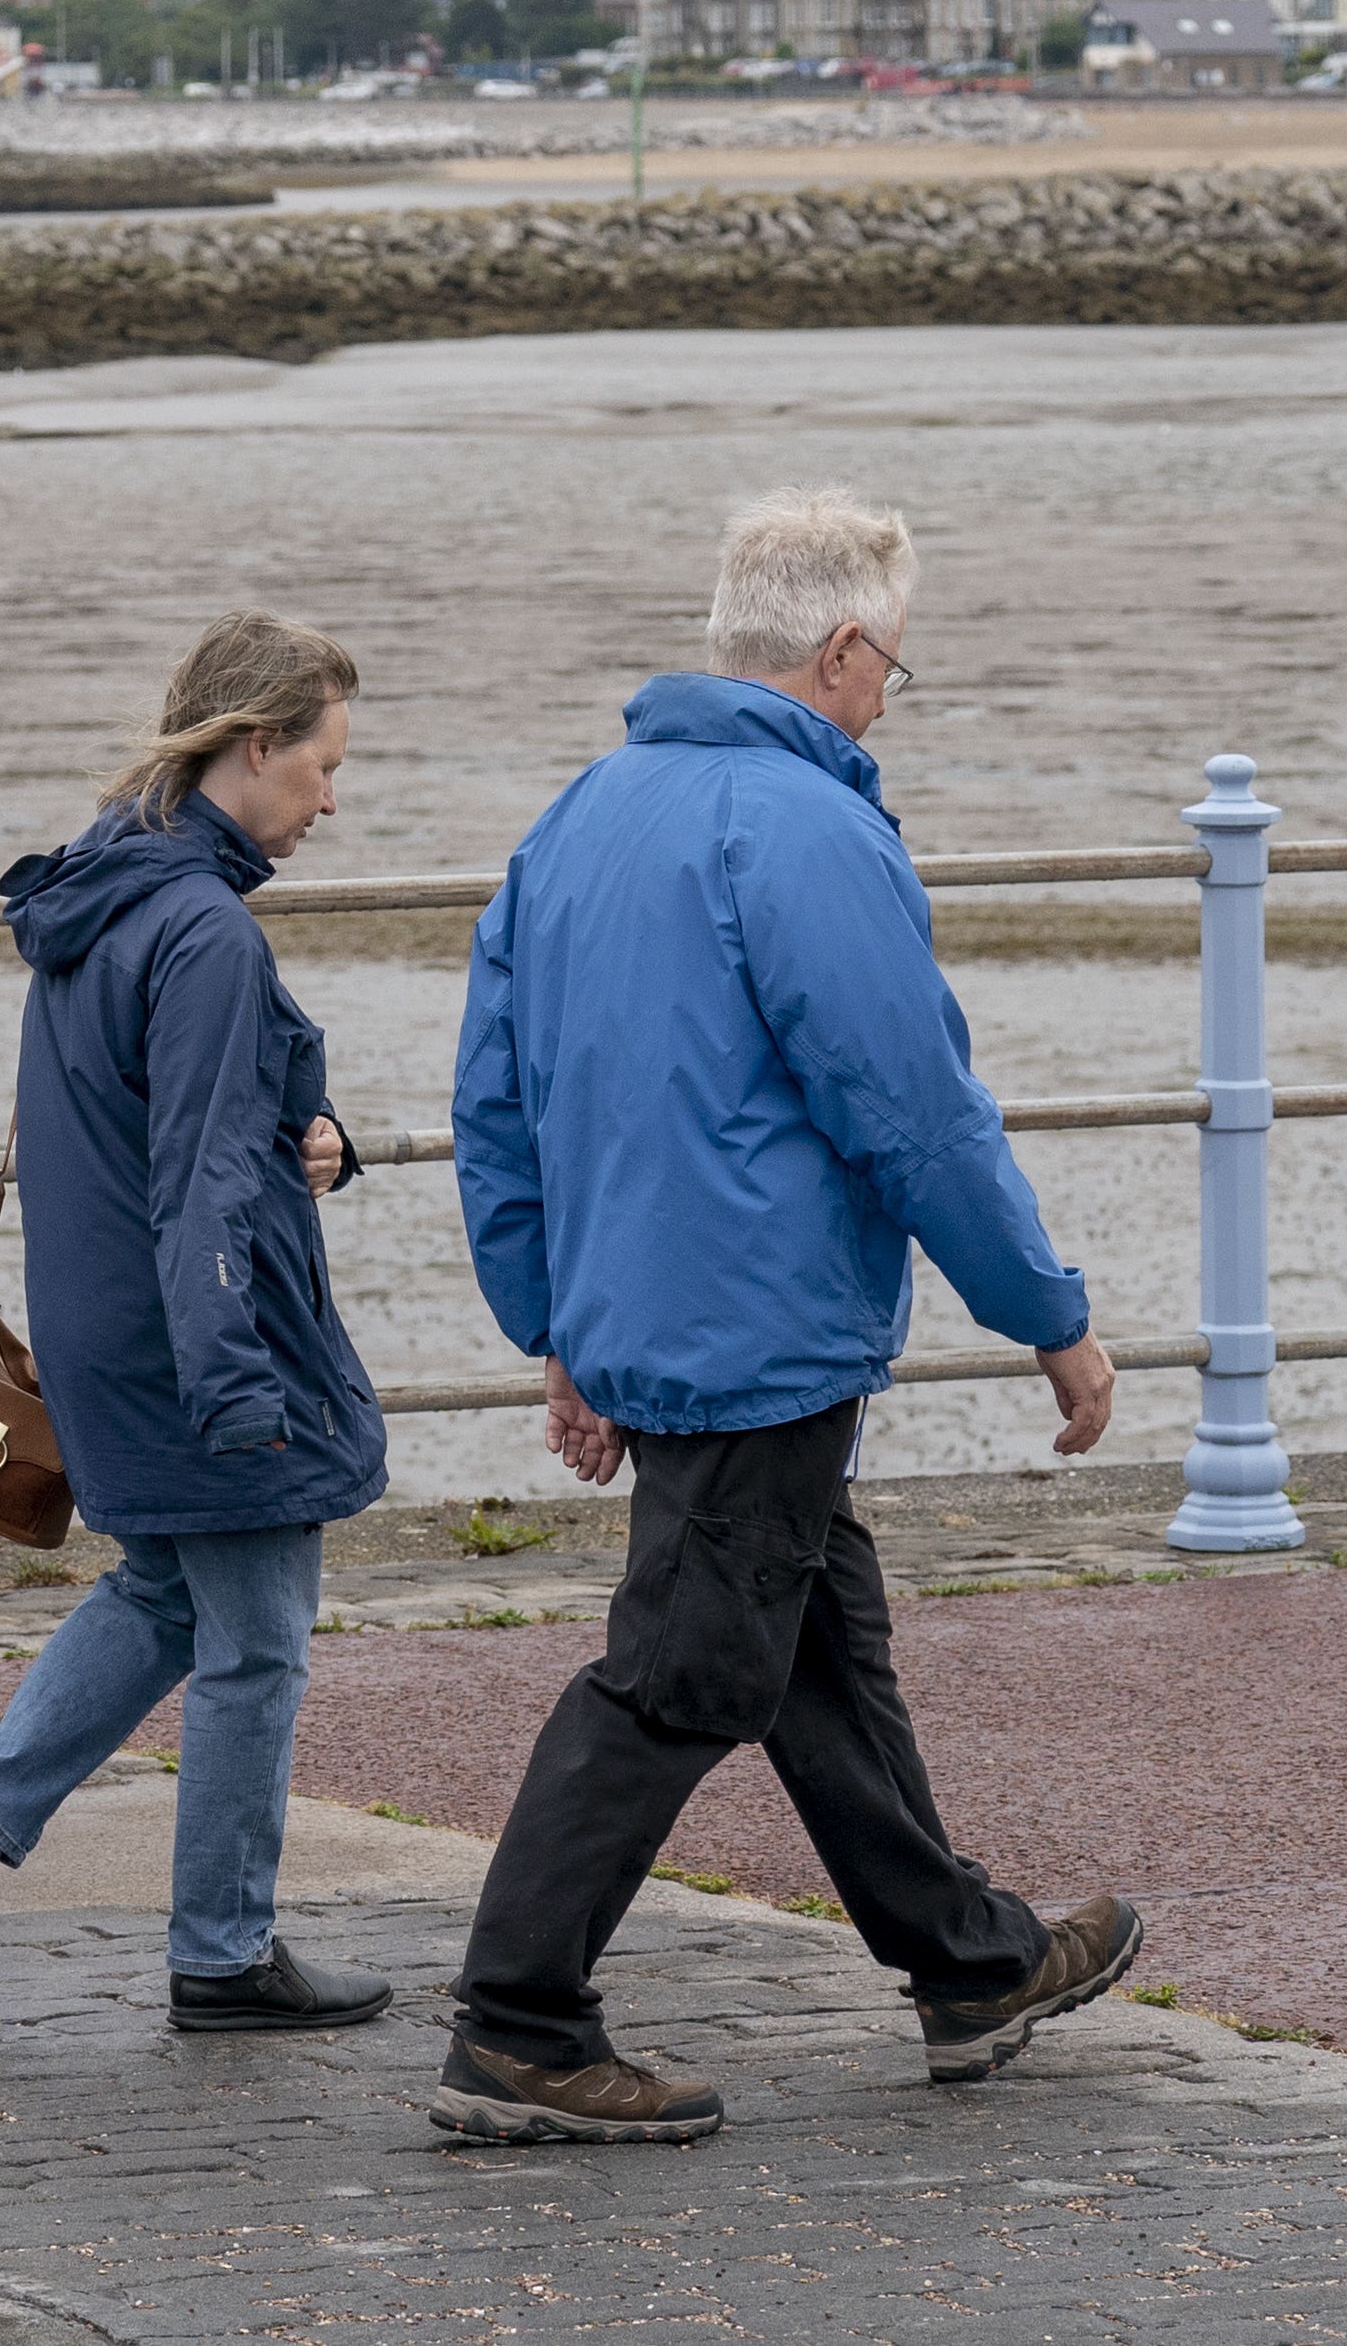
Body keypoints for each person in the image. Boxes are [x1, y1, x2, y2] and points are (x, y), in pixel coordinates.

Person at [428, 488, 1138, 2147]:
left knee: (818, 1647)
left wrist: (558, 1319)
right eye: (893, 661)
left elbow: (499, 1106)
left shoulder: (578, 818)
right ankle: (518, 2018)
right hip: (762, 1328)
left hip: (653, 1314)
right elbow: (914, 1110)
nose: (892, 693)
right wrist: (1051, 1316)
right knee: (683, 1672)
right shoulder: (810, 832)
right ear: (835, 650)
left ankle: (970, 1962)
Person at [0, 611, 396, 2032]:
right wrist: (238, 1383)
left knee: (168, 1590)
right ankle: (224, 1952)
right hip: (197, 1336)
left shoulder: (104, 892)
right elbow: (203, 1180)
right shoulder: (206, 928)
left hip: (102, 1325)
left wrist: (317, 1120)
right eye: (324, 764)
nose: (332, 800)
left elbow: (165, 1112)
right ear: (252, 745)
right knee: (261, 1636)